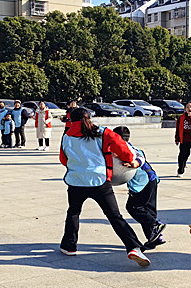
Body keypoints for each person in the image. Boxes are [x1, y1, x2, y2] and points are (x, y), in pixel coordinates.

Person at [59, 108, 151, 267]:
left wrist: (79, 167)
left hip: (76, 181)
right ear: (89, 117)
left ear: (71, 120)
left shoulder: (66, 136)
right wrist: (129, 161)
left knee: (73, 212)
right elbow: (125, 151)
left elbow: (63, 159)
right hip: (99, 181)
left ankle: (69, 246)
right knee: (115, 216)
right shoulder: (103, 132)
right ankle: (133, 247)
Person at [113, 126, 166, 249]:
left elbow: (139, 158)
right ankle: (155, 238)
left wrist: (134, 163)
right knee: (147, 210)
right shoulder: (128, 147)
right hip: (151, 180)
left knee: (133, 207)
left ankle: (154, 225)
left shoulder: (126, 149)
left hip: (143, 183)